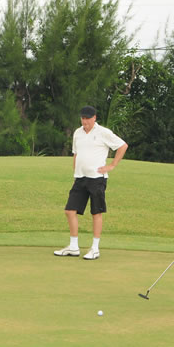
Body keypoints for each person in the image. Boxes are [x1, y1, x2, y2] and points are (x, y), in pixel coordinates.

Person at [54, 105, 128, 260]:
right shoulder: (77, 133)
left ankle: (95, 248)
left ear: (94, 118)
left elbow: (122, 146)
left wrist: (112, 165)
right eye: (83, 118)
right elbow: (76, 154)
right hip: (80, 178)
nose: (85, 121)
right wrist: (75, 173)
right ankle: (74, 247)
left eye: (88, 118)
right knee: (70, 211)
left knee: (96, 212)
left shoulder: (103, 132)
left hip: (97, 179)